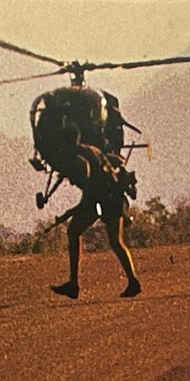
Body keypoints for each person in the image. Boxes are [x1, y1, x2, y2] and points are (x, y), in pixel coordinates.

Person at [52, 94, 141, 300]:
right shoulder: (92, 150)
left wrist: (69, 212)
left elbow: (89, 191)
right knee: (116, 242)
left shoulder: (79, 158)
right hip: (112, 197)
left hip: (103, 199)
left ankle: (74, 284)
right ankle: (132, 281)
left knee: (74, 232)